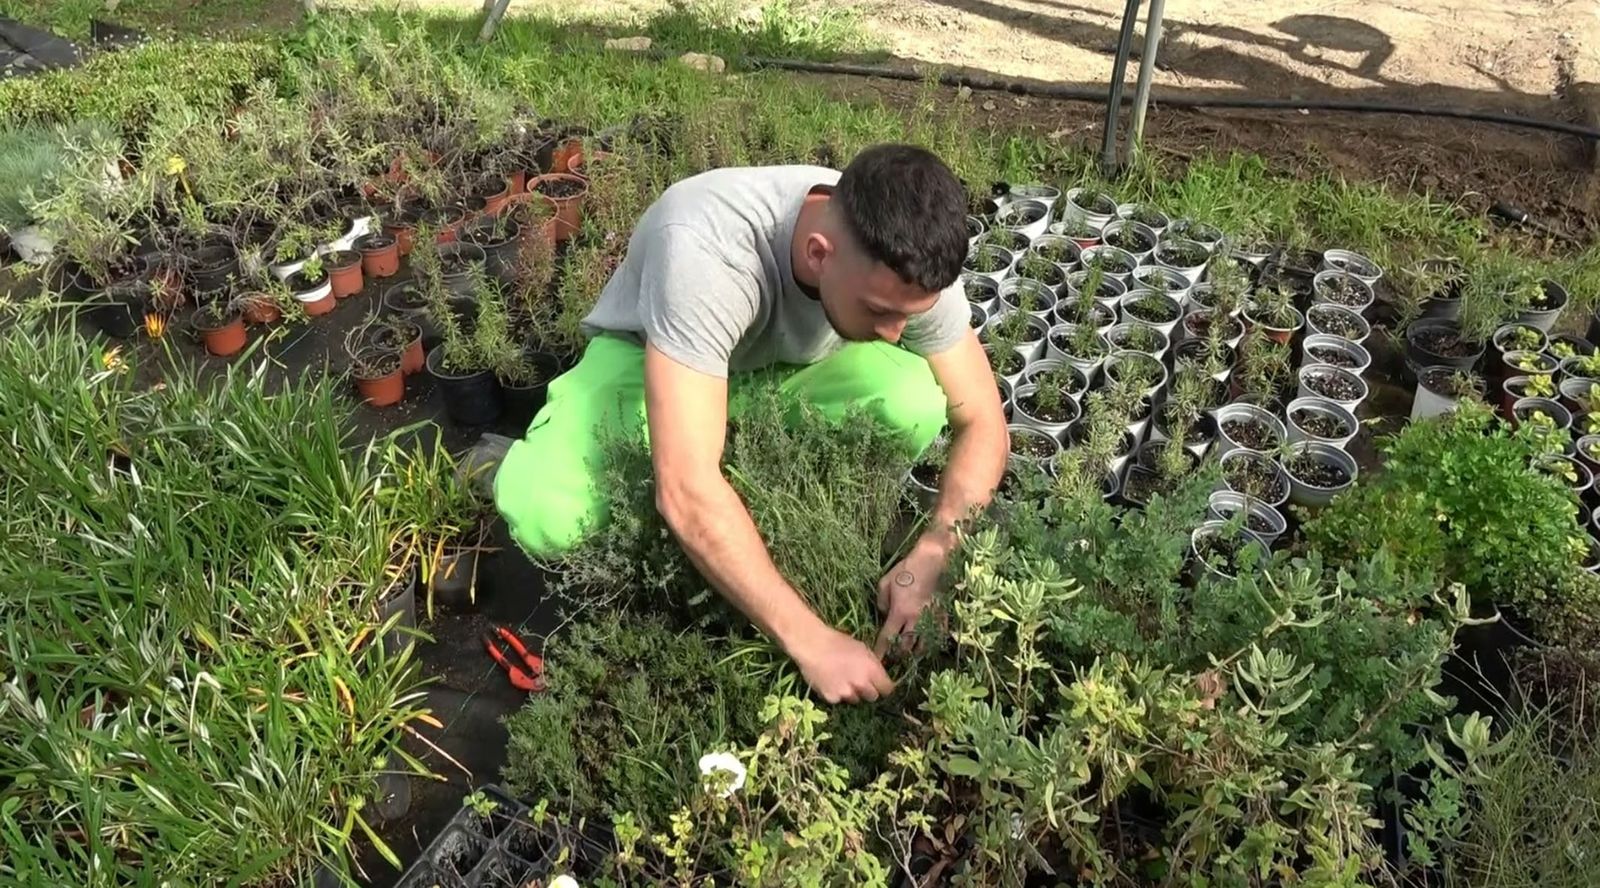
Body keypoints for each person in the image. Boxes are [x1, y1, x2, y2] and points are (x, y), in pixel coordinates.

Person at [493, 143, 1008, 703]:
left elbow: (983, 419)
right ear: (818, 254)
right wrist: (812, 641)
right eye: (879, 312)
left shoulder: (908, 254)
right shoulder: (708, 249)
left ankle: (744, 479)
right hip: (657, 365)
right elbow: (686, 489)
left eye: (908, 315)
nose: (894, 333)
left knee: (913, 399)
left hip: (787, 369)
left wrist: (935, 550)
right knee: (547, 509)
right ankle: (499, 460)